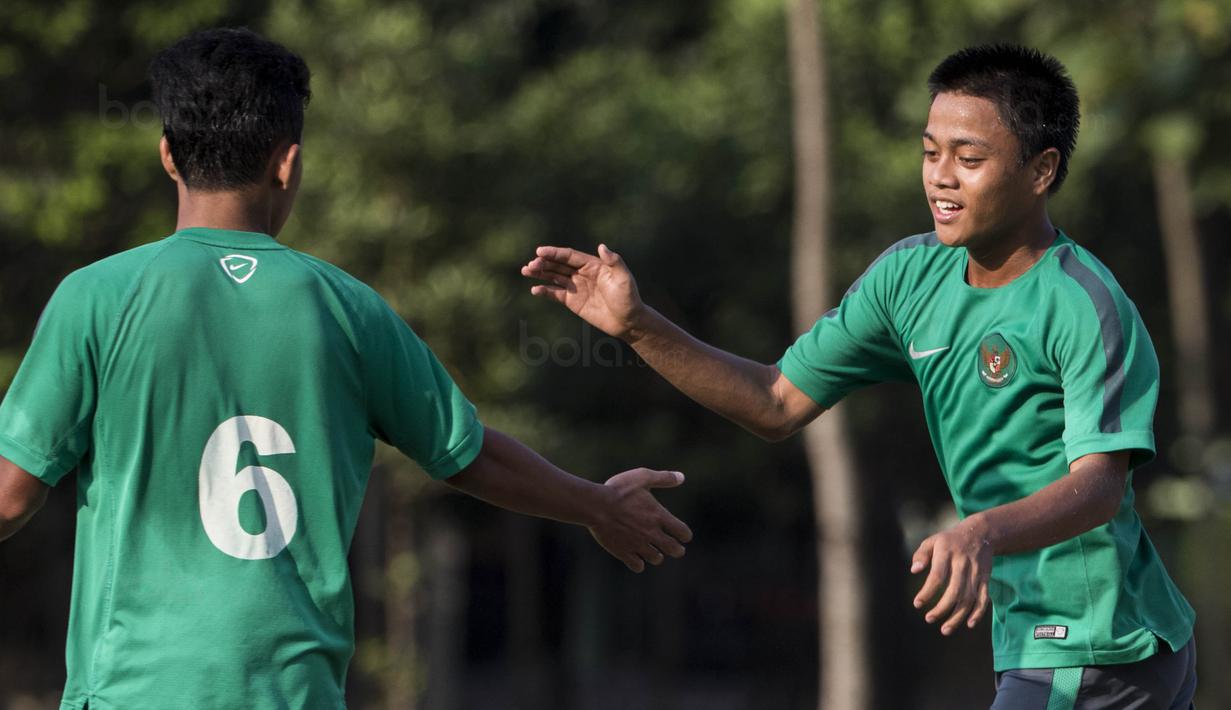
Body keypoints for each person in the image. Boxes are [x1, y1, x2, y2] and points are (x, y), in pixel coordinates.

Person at [0, 27, 693, 710]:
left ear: (168, 156)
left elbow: (9, 495)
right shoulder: (348, 309)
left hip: (135, 692)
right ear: (288, 164)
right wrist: (596, 505)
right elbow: (469, 455)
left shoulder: (95, 297)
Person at [523, 44, 1197, 709]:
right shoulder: (907, 276)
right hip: (1059, 643)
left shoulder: (1084, 303)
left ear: (1040, 170)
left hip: (1093, 642)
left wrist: (980, 531)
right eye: (930, 152)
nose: (939, 178)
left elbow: (1099, 486)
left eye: (968, 159)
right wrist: (637, 323)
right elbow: (773, 402)